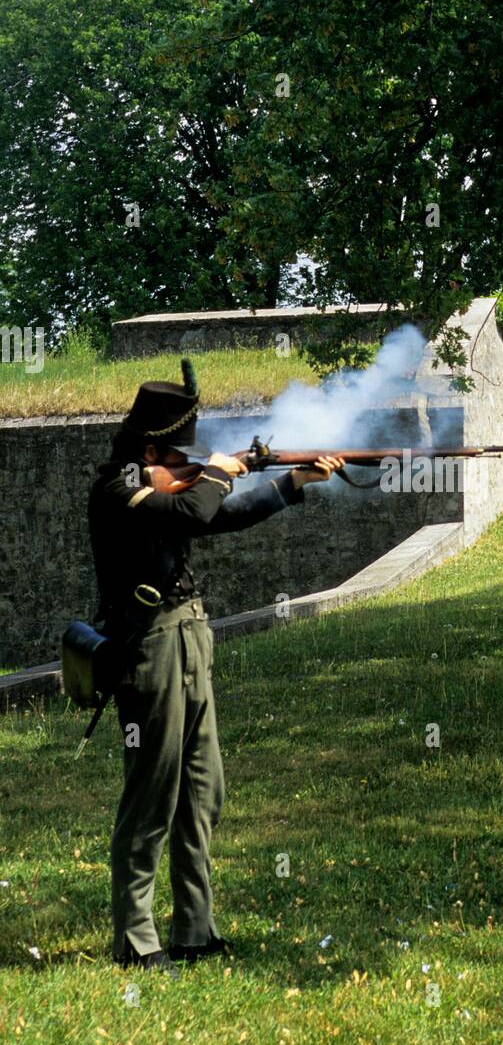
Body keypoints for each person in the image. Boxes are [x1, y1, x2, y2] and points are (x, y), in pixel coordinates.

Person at [87, 359, 342, 971]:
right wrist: (222, 472)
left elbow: (221, 516)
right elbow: (197, 511)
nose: (190, 464)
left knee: (203, 791)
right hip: (149, 647)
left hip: (190, 638)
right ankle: (136, 942)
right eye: (180, 456)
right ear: (150, 450)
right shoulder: (117, 490)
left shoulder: (170, 488)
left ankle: (194, 931)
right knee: (151, 795)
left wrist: (293, 481)